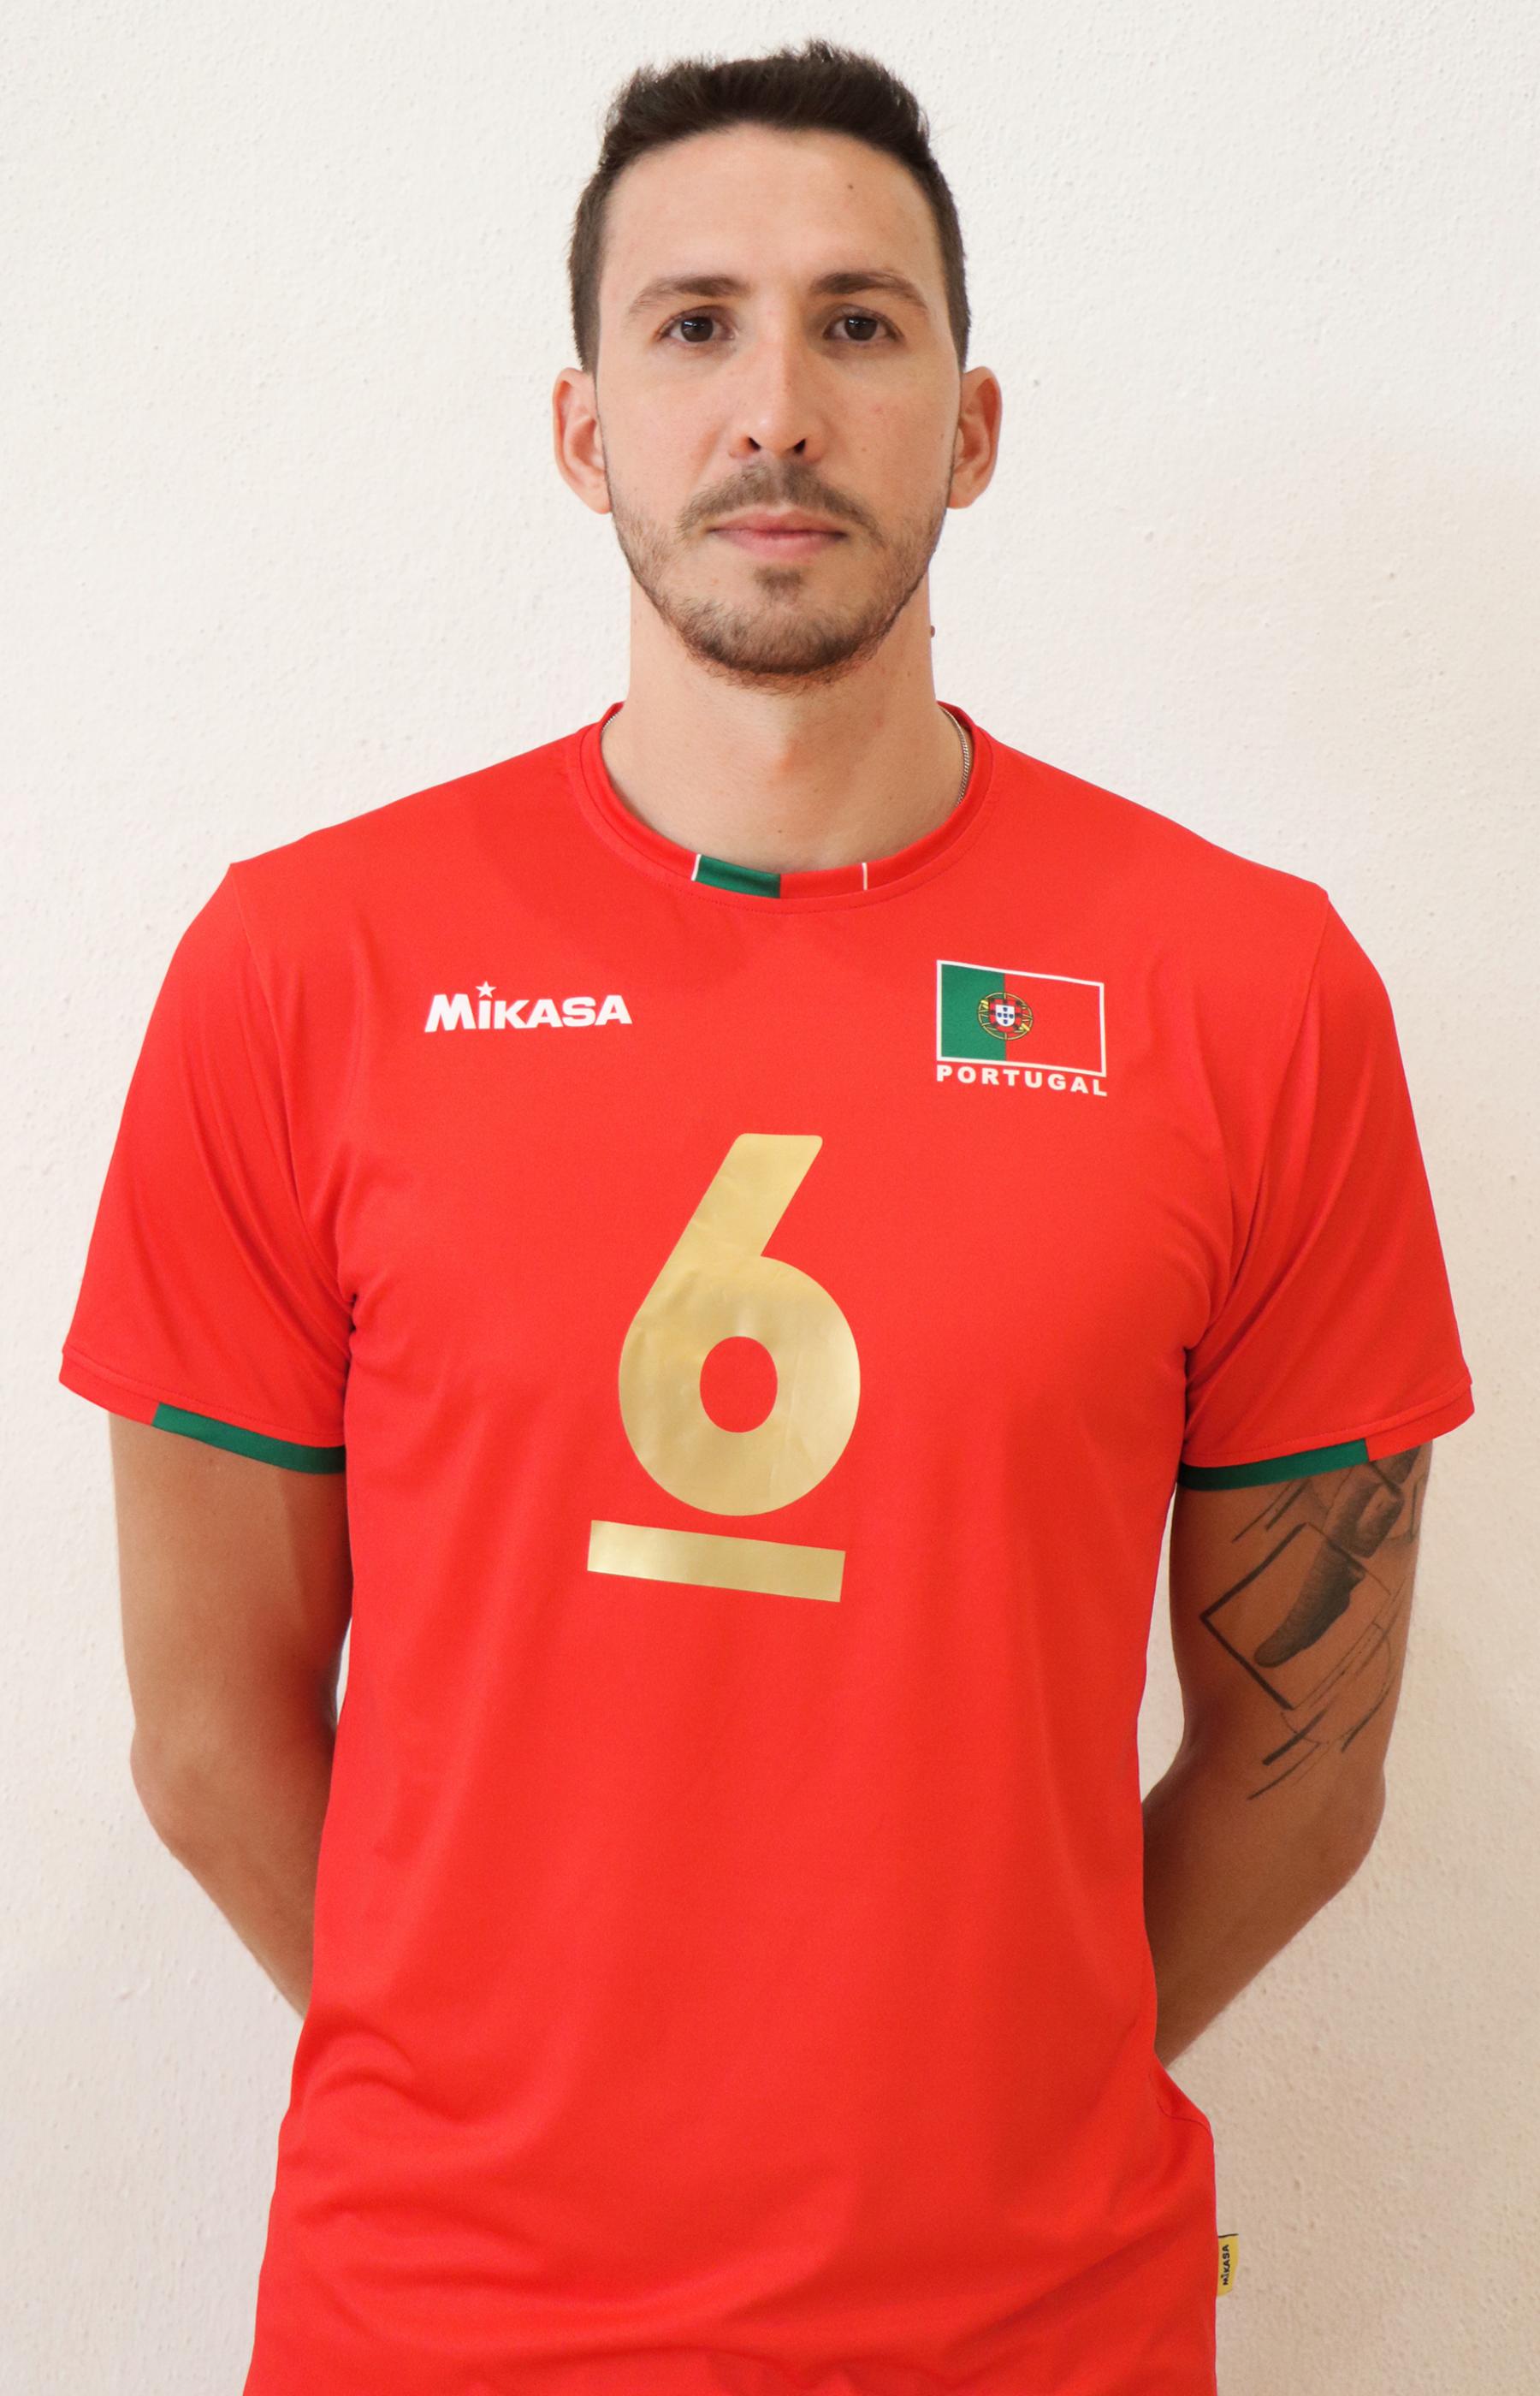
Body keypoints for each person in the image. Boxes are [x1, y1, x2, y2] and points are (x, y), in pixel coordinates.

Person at [57, 38, 1475, 2396]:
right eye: (694, 324)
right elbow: (210, 1741)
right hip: (443, 2331)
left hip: (1031, 2337)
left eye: (861, 323)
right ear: (585, 428)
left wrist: (983, 2118)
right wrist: (512, 2118)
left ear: (974, 427)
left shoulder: (1251, 995)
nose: (777, 409)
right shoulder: (307, 970)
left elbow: (1303, 1766)